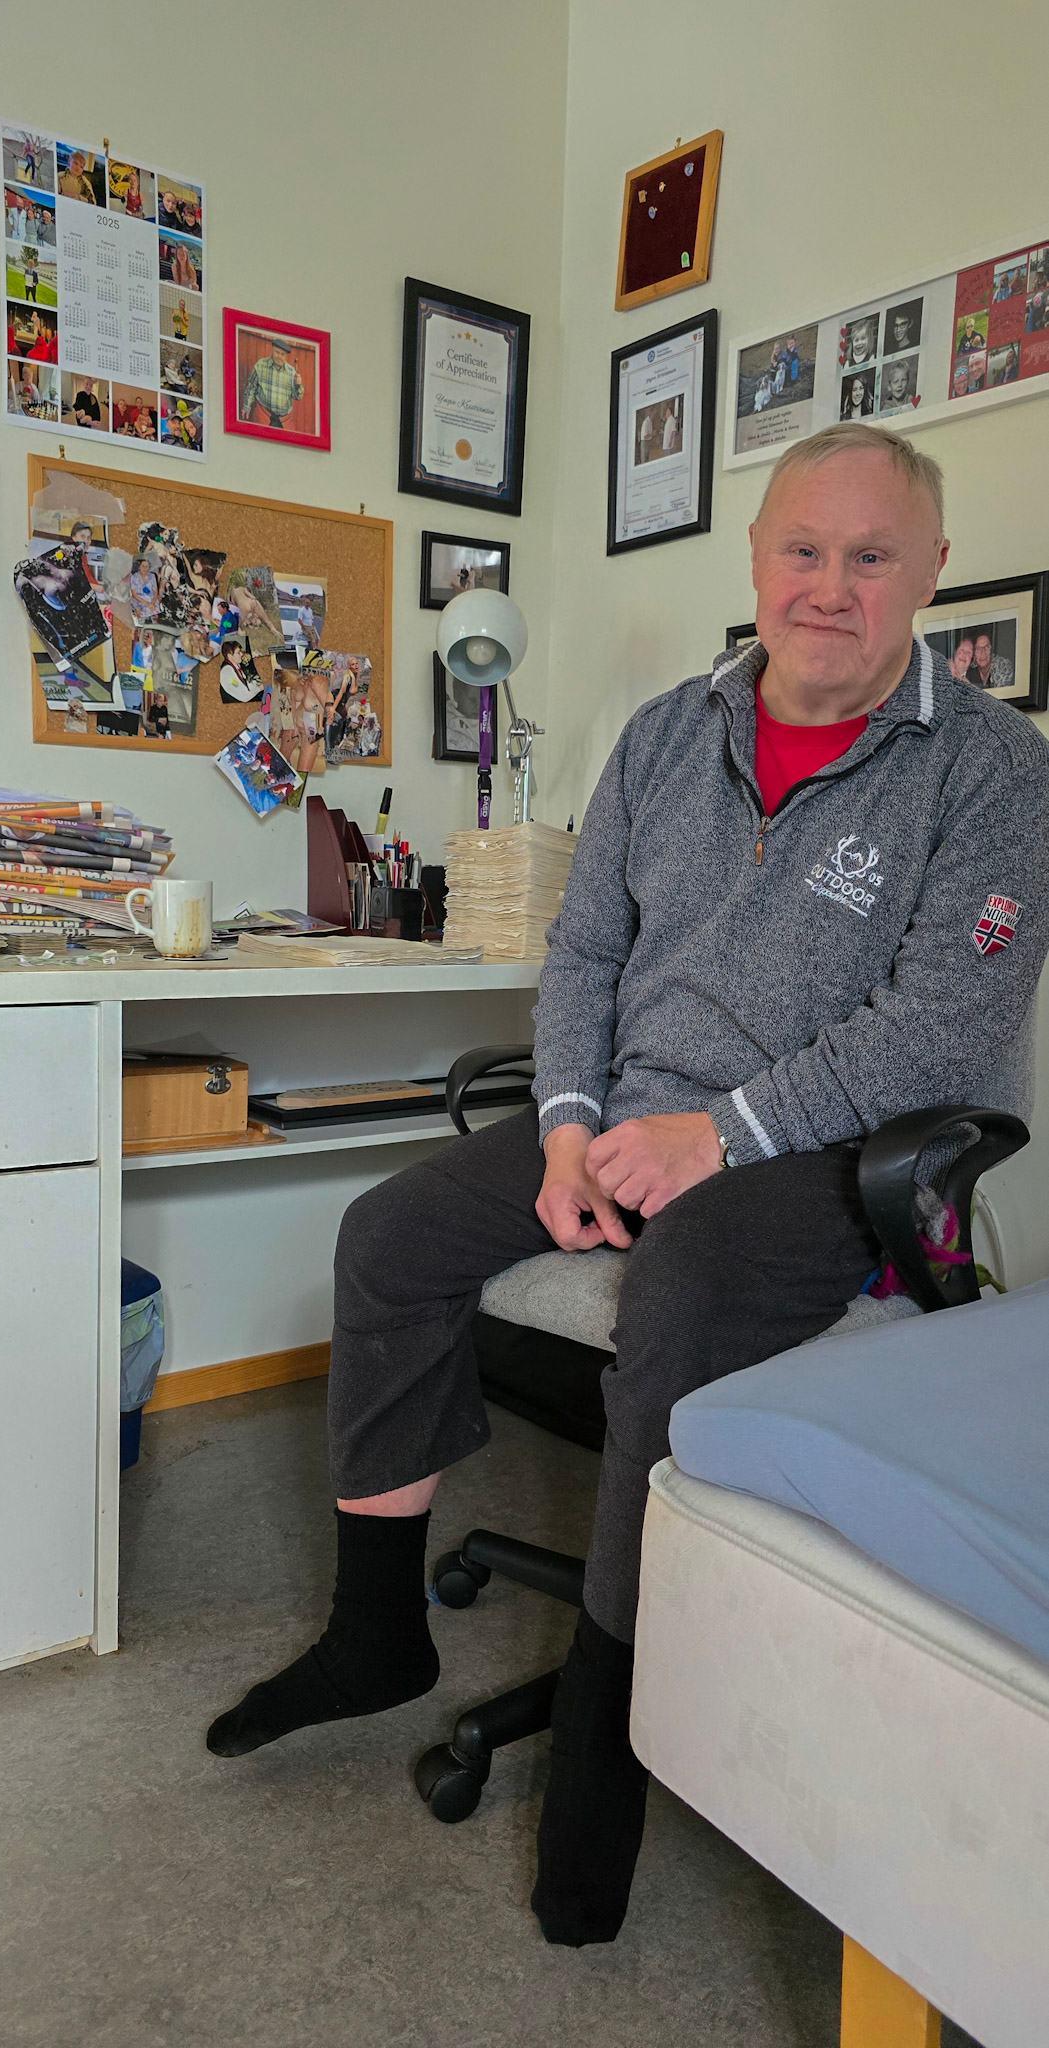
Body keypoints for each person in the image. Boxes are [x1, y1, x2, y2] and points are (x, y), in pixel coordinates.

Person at [205, 422, 1049, 1949]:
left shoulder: (992, 769)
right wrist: (565, 1128)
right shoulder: (668, 733)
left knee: (682, 1291)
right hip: (623, 1121)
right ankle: (376, 1630)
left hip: (828, 1152)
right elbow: (585, 952)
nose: (831, 587)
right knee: (388, 1233)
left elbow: (939, 1031)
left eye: (870, 557)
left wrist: (712, 1139)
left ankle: (609, 1735)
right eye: (804, 550)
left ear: (930, 569)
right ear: (757, 559)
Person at [239, 335, 304, 431]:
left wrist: (298, 385)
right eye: (277, 352)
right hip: (263, 415)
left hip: (284, 420)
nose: (279, 356)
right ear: (272, 350)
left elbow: (297, 397)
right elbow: (251, 387)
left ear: (286, 356)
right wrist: (246, 406)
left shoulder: (291, 372)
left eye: (282, 354)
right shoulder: (261, 365)